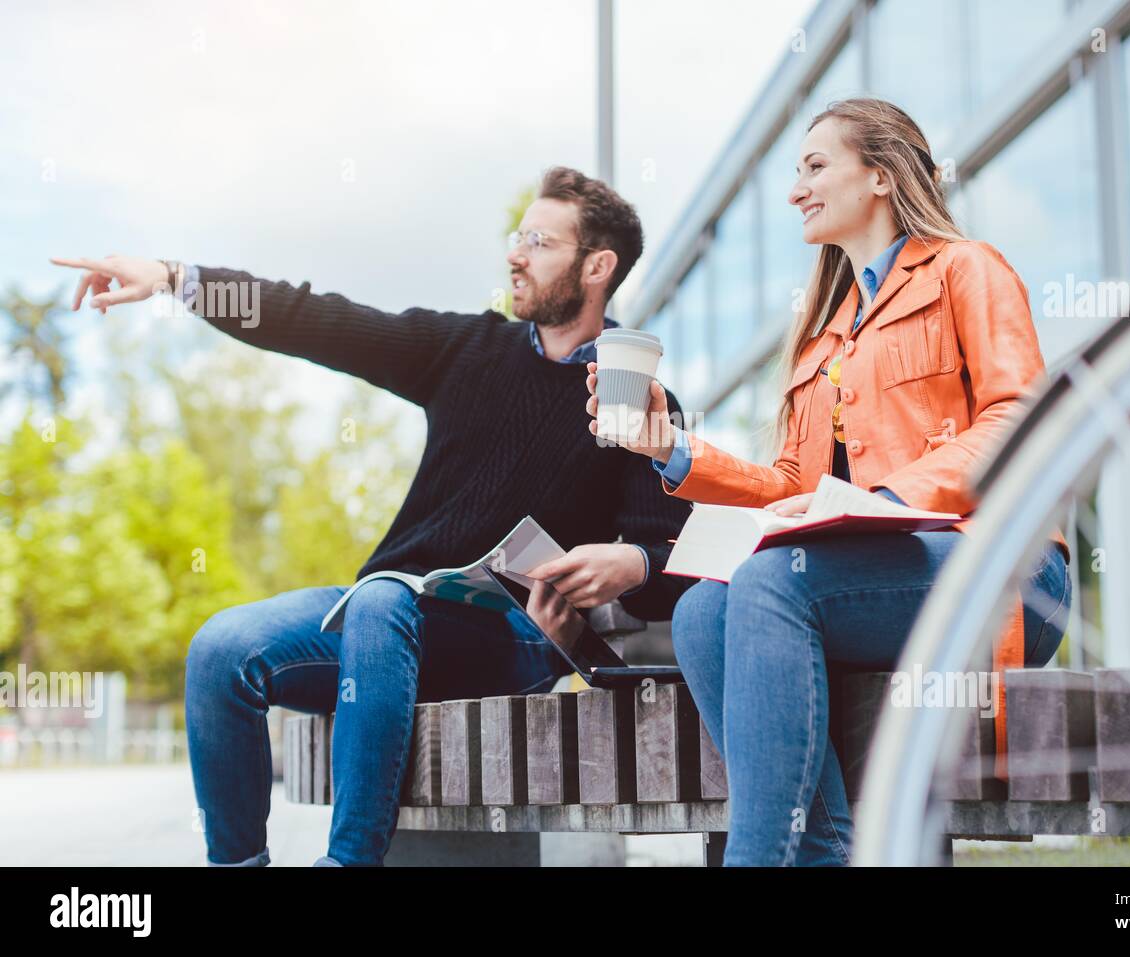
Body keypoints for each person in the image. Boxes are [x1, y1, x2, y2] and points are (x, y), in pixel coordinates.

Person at [53, 166, 693, 867]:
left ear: (596, 266)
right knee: (220, 650)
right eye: (517, 236)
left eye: (538, 241)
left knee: (384, 595)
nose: (515, 254)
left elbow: (674, 565)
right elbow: (313, 318)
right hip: (380, 631)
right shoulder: (468, 349)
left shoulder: (637, 396)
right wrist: (176, 276)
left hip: (512, 638)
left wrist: (629, 562)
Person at [585, 98, 1072, 866]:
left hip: (1000, 568)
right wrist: (673, 451)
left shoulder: (965, 269)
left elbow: (1020, 420)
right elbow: (792, 484)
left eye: (815, 166)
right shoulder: (824, 332)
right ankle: (831, 853)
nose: (795, 190)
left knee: (774, 583)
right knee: (702, 608)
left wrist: (885, 501)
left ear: (880, 174)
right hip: (872, 577)